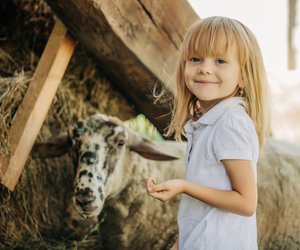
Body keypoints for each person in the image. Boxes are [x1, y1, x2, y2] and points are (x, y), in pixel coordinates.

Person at [146, 16, 270, 250]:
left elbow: (246, 203)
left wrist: (184, 186)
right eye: (195, 58)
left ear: (243, 76)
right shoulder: (208, 123)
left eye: (220, 61)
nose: (205, 68)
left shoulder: (230, 123)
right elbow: (203, 212)